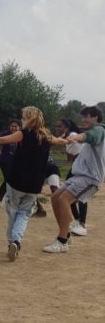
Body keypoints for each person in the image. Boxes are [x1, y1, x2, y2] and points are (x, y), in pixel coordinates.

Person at [0, 106, 67, 261]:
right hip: (34, 185)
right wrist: (70, 139)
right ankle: (17, 241)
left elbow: (2, 140)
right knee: (24, 214)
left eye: (23, 117)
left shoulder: (23, 134)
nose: (21, 120)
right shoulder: (46, 135)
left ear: (28, 119)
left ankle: (13, 241)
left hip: (16, 181)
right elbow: (60, 141)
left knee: (12, 211)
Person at [43, 106, 105, 253]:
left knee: (64, 199)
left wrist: (75, 137)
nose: (84, 120)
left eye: (87, 116)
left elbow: (89, 137)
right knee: (55, 197)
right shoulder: (91, 130)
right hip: (79, 176)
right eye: (83, 117)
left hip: (90, 178)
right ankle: (66, 233)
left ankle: (62, 240)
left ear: (96, 117)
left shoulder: (99, 130)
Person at [55, 119, 87, 236]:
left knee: (80, 195)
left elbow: (76, 151)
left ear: (67, 127)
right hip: (76, 166)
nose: (58, 128)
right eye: (57, 126)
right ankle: (77, 220)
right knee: (68, 194)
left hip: (82, 167)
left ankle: (82, 224)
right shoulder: (65, 135)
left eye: (60, 126)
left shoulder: (73, 135)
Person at [0, 119, 21, 207]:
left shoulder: (21, 136)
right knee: (8, 180)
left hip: (16, 162)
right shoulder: (5, 134)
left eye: (15, 126)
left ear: (19, 127)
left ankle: (13, 200)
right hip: (4, 161)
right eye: (12, 126)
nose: (13, 128)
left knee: (12, 180)